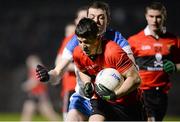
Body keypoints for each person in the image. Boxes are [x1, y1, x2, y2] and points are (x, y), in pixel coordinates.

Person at [36, 1, 136, 121]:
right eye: (92, 17)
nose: (96, 21)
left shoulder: (118, 42)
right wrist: (48, 75)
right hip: (84, 97)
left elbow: (133, 71)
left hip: (111, 99)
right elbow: (58, 72)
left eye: (101, 18)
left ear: (107, 20)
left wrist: (113, 89)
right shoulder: (76, 42)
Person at [73, 17, 143, 121]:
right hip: (100, 100)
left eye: (87, 42)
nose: (83, 47)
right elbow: (83, 71)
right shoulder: (78, 53)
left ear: (98, 38)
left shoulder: (113, 52)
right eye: (80, 41)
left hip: (127, 103)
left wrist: (115, 95)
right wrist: (87, 83)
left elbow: (135, 79)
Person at [128, 2, 180, 121]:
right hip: (142, 91)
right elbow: (123, 63)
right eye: (151, 16)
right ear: (146, 16)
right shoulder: (135, 40)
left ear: (164, 17)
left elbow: (178, 64)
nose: (154, 20)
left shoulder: (173, 40)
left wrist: (175, 67)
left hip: (162, 92)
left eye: (158, 17)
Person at [21, 55, 59, 122]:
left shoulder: (39, 69)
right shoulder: (33, 70)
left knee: (50, 115)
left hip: (41, 96)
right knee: (27, 114)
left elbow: (35, 81)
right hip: (33, 96)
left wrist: (26, 86)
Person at [55, 22, 76, 120]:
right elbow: (58, 63)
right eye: (67, 31)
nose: (69, 34)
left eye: (71, 32)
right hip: (71, 87)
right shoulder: (68, 41)